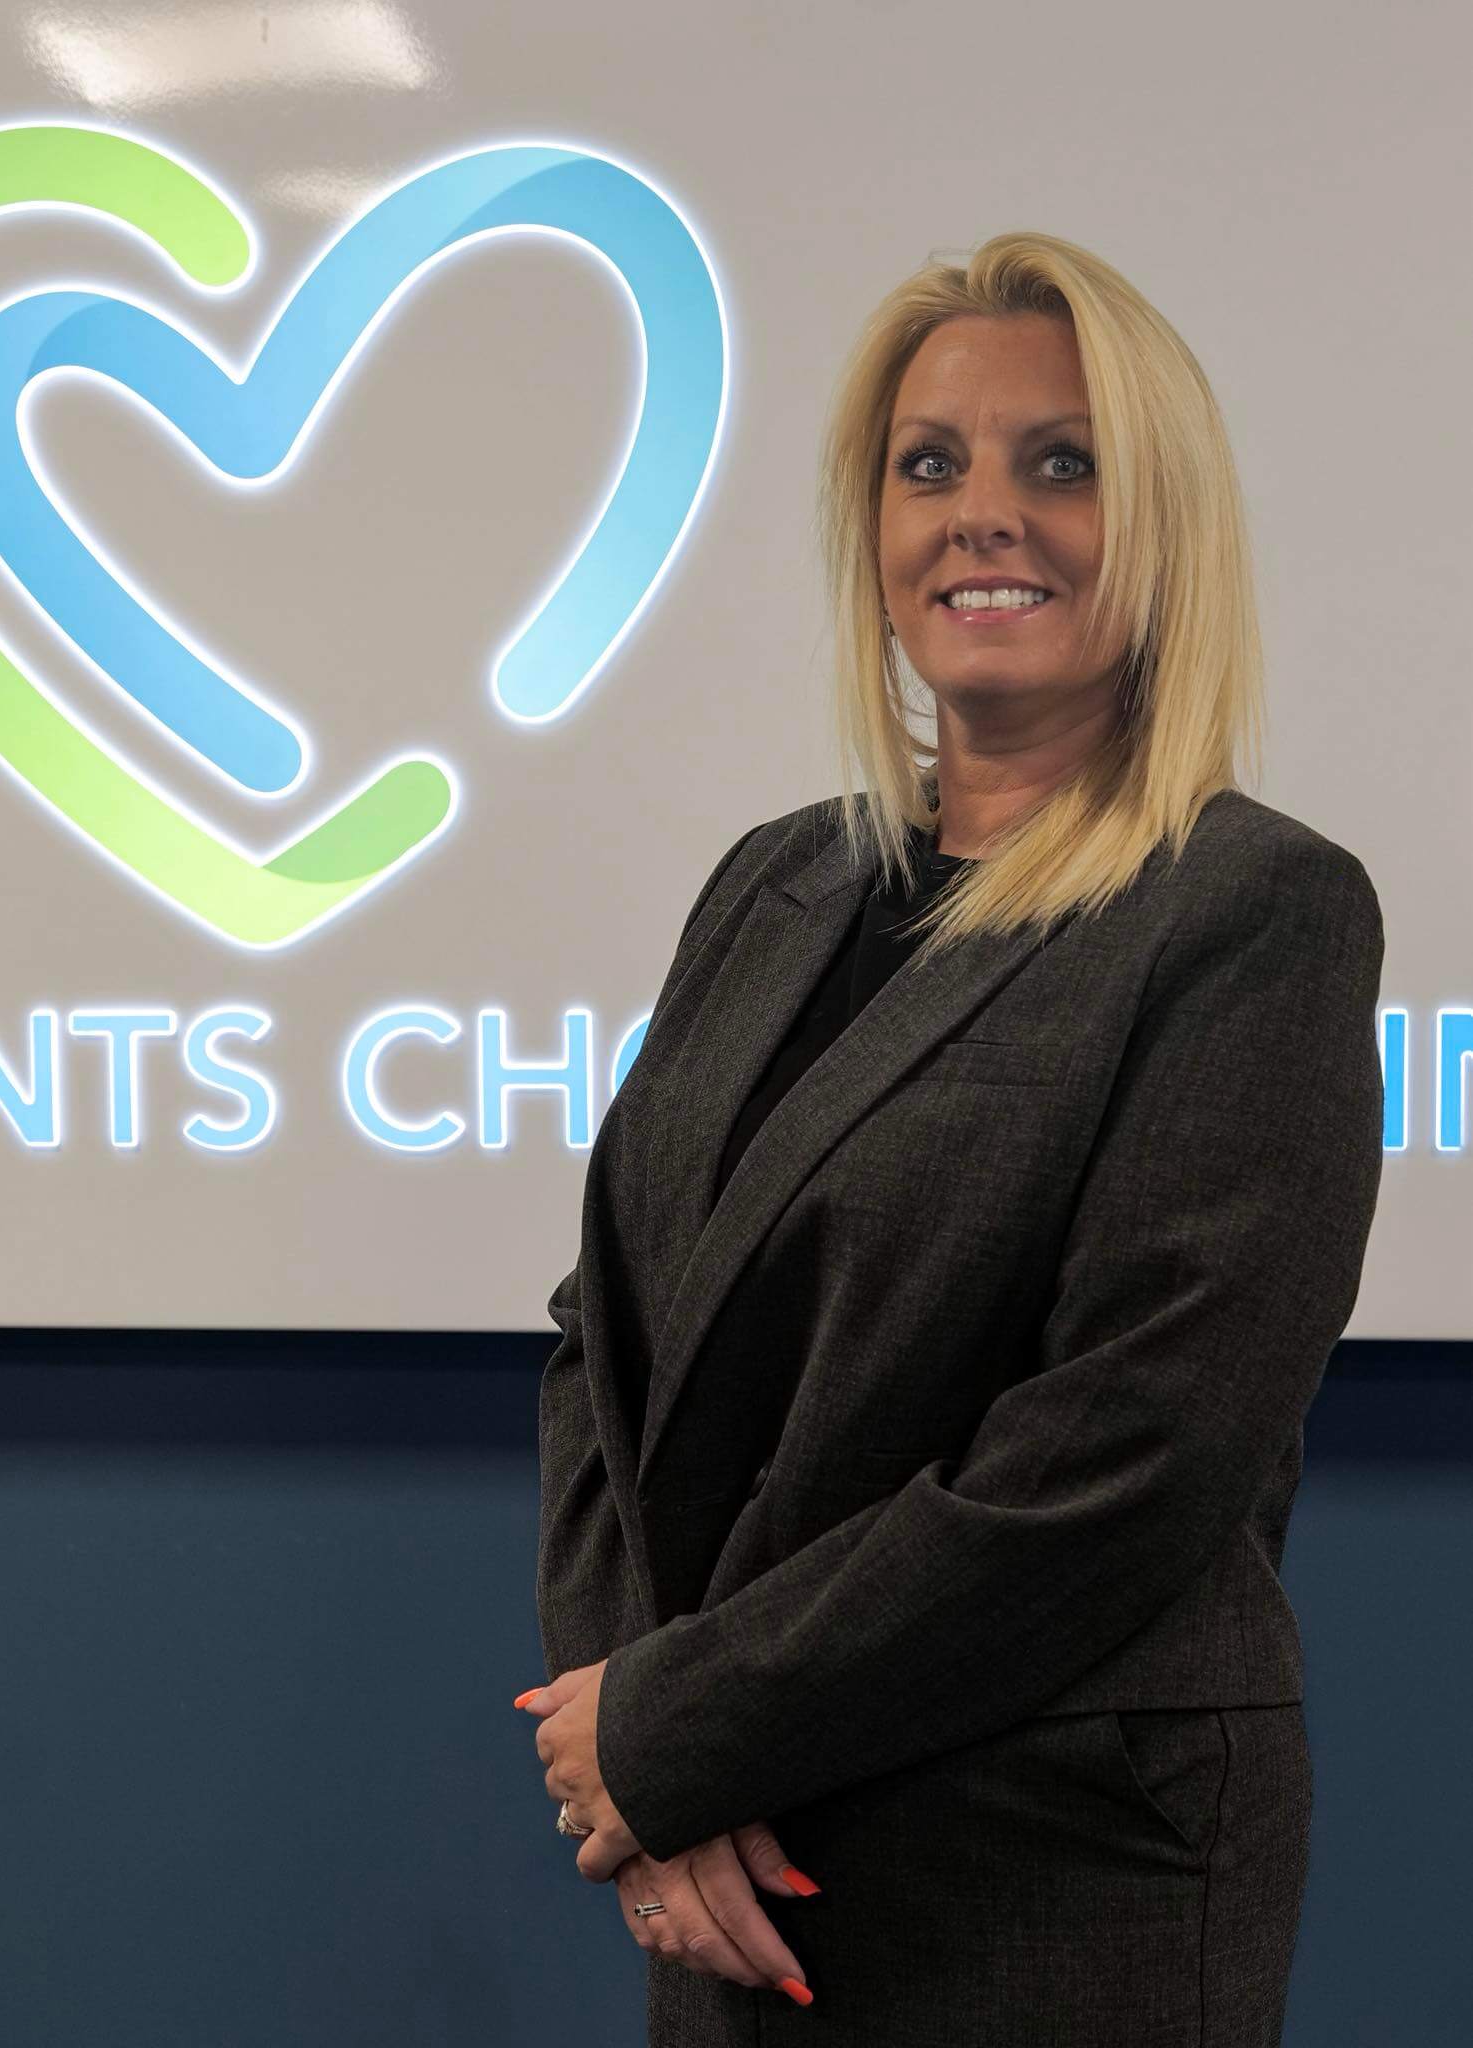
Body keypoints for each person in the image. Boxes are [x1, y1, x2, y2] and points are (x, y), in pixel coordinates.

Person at [517, 231, 1385, 2045]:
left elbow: (1129, 1449)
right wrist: (633, 1744)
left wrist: (689, 1727)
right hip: (730, 1860)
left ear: (1162, 522)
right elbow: (602, 1344)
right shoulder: (773, 885)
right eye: (931, 465)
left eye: (1059, 463)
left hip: (1053, 1854)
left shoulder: (1251, 910)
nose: (982, 514)